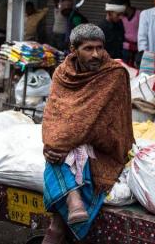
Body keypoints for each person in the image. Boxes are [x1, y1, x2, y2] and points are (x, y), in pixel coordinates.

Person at [41, 24, 134, 244]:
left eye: (99, 48)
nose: (96, 54)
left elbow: (101, 123)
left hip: (105, 147)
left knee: (67, 151)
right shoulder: (62, 74)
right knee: (60, 150)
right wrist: (54, 143)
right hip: (69, 143)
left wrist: (62, 142)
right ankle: (73, 199)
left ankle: (73, 199)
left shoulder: (114, 74)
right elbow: (53, 115)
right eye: (88, 48)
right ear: (73, 49)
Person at [119, 0, 140, 65]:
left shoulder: (139, 14)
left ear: (125, 5)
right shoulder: (120, 16)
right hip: (125, 47)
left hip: (137, 47)